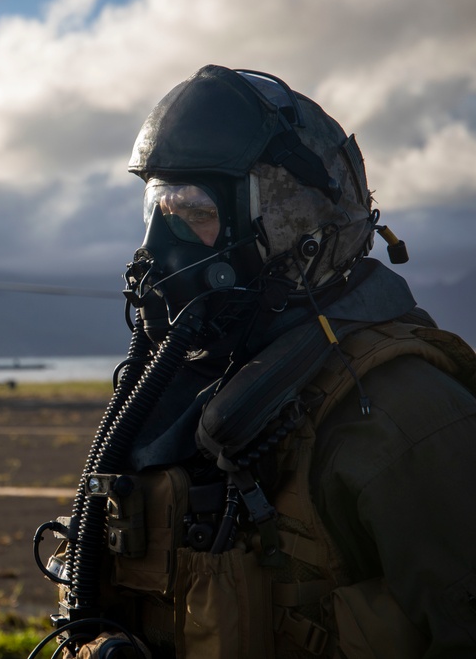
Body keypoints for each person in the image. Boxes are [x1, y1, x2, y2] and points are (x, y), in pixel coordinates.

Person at [32, 65, 476, 658]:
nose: (158, 249)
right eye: (157, 211)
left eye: (195, 214)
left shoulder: (402, 415)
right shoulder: (198, 393)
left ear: (297, 231)